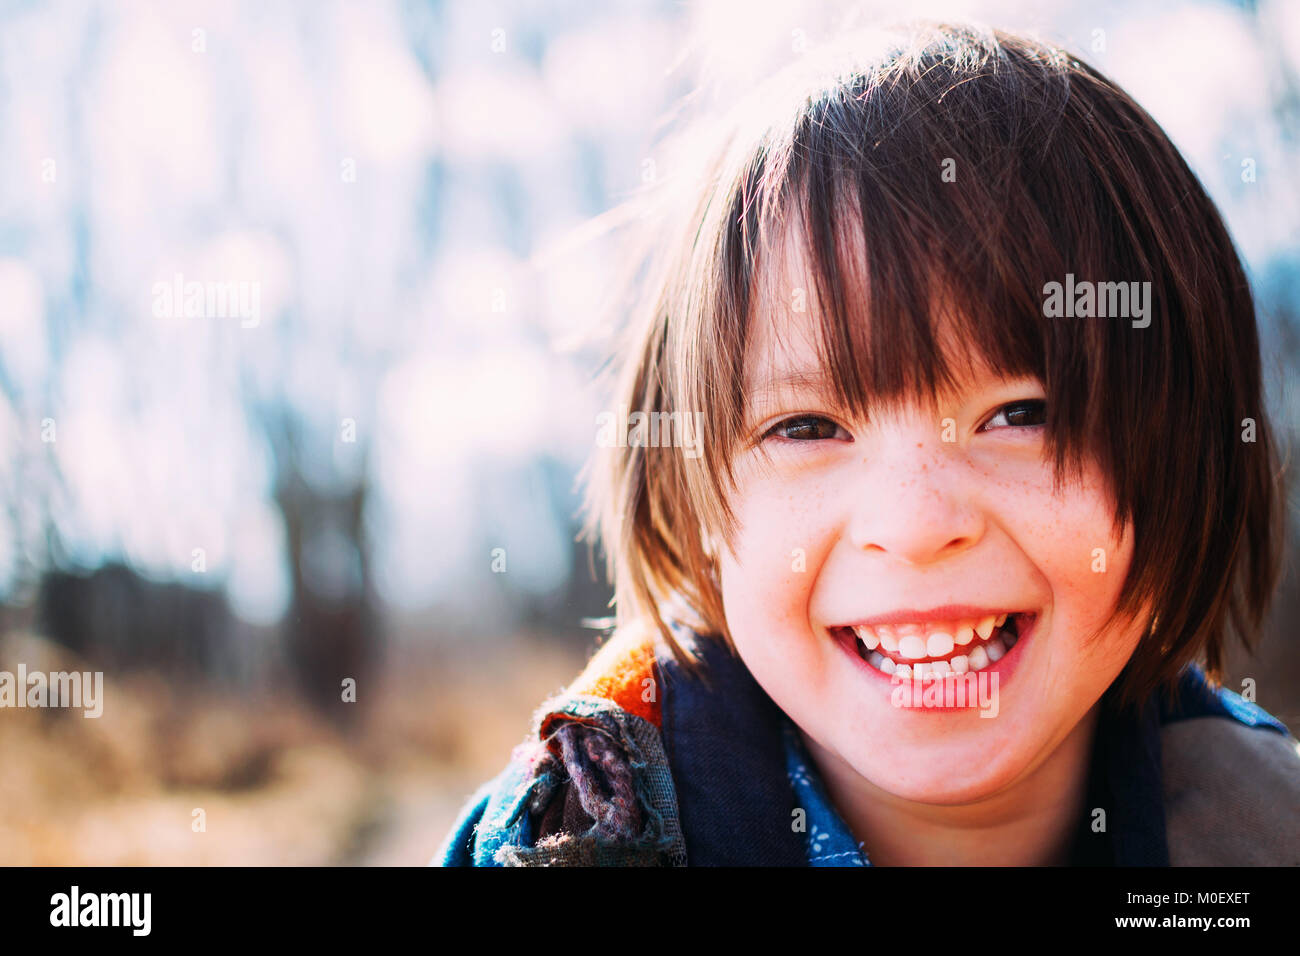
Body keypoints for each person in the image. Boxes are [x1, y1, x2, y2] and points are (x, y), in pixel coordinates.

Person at [435, 20, 1300, 866]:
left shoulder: (1265, 824)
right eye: (806, 427)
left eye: (1024, 414)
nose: (917, 524)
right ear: (690, 497)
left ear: (1188, 450)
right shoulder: (566, 842)